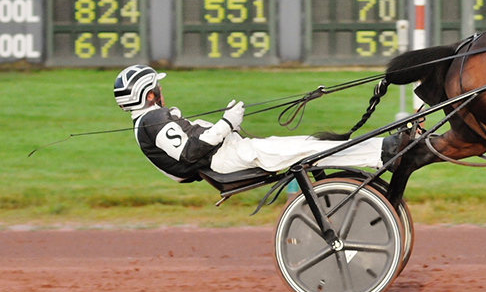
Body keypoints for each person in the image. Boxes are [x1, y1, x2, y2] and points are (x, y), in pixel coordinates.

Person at [114, 64, 404, 183]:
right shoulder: (151, 121)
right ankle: (382, 152)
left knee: (309, 145)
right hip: (226, 159)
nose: (162, 92)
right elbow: (189, 152)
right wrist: (226, 123)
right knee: (309, 149)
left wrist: (224, 126)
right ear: (150, 93)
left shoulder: (149, 122)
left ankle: (380, 150)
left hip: (229, 152)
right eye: (158, 88)